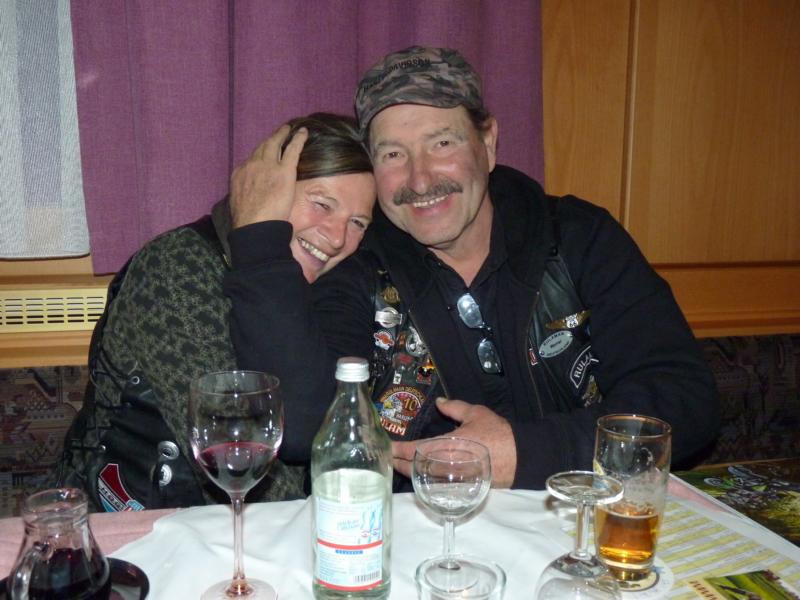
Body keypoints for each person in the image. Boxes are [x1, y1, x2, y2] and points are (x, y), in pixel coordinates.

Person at [225, 47, 720, 491]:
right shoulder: (356, 265)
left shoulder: (579, 237)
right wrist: (259, 238)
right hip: (422, 545)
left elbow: (686, 401)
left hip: (581, 531)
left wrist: (525, 454)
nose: (420, 180)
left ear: (488, 142)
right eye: (393, 154)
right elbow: (303, 426)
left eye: (442, 144)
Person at [53, 113, 376, 511]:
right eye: (322, 204)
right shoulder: (177, 268)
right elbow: (239, 457)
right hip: (119, 524)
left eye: (357, 222)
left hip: (235, 525)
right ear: (266, 187)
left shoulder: (322, 283)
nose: (338, 237)